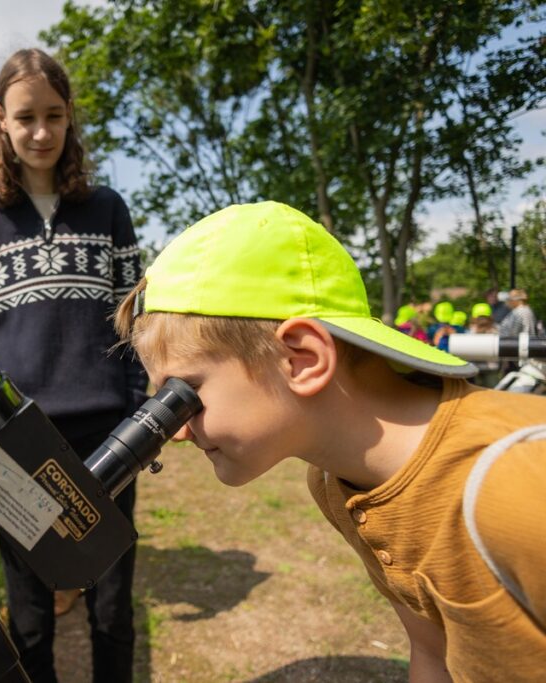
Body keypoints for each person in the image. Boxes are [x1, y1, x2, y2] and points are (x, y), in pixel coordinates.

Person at [113, 201, 546, 682]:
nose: (174, 430)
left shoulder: (516, 486)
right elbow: (432, 649)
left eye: (183, 395)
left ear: (301, 359)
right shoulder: (336, 482)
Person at [0, 47, 147, 683]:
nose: (41, 132)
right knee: (31, 610)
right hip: (19, 442)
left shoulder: (109, 209)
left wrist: (137, 408)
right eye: (26, 116)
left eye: (54, 115)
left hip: (106, 436)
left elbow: (134, 315)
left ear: (70, 121)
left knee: (112, 605)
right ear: (0, 121)